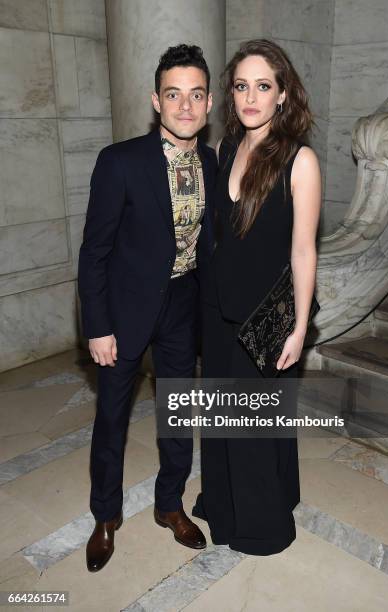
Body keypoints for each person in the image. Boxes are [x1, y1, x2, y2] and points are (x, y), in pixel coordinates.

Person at [78, 44, 217, 572]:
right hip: (125, 308)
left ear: (208, 103)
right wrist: (98, 325)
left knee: (178, 413)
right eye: (174, 94)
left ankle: (169, 506)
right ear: (155, 101)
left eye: (196, 94)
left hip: (183, 304)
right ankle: (105, 517)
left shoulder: (210, 159)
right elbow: (95, 251)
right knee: (112, 417)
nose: (186, 106)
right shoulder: (119, 161)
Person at [192, 39, 321, 555]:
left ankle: (262, 525)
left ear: (282, 94)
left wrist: (298, 328)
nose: (251, 97)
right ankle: (224, 506)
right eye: (241, 86)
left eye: (263, 86)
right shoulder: (227, 149)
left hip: (265, 314)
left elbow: (304, 251)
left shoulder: (300, 159)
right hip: (219, 308)